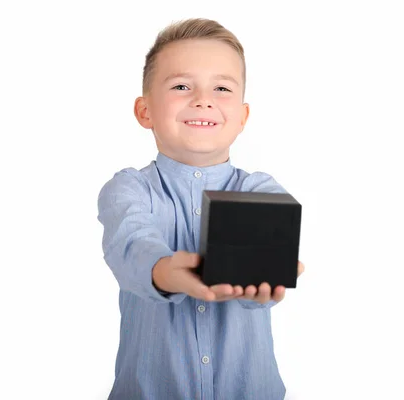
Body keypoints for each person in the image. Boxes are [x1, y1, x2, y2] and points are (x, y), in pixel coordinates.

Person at [97, 17, 305, 400]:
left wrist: (256, 283)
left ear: (242, 117)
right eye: (181, 86)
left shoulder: (261, 190)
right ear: (145, 111)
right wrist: (164, 272)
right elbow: (131, 244)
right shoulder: (128, 188)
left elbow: (266, 258)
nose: (203, 100)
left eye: (222, 88)